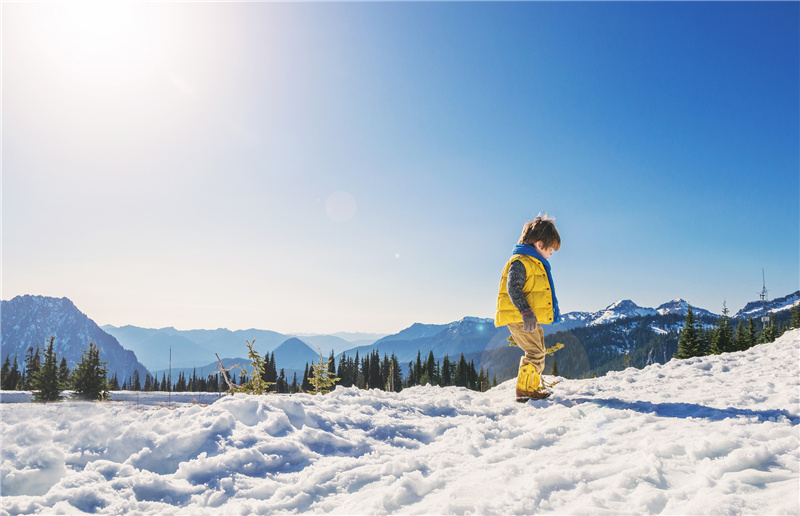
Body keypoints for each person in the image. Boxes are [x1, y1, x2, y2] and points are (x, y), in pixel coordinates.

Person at [495, 213, 562, 400]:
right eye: (551, 250)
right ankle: (525, 390)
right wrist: (526, 311)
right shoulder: (520, 262)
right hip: (521, 317)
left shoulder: (531, 262)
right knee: (535, 352)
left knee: (538, 350)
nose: (551, 254)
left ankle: (530, 386)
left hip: (526, 316)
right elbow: (512, 288)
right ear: (539, 244)